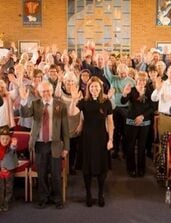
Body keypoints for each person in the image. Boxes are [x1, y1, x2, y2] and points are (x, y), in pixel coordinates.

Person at [19, 80, 69, 209]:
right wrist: (24, 100)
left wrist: (66, 148)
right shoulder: (35, 104)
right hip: (40, 144)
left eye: (48, 90)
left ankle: (57, 199)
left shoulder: (61, 105)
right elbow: (25, 114)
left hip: (55, 144)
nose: (46, 93)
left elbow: (65, 129)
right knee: (41, 174)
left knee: (56, 174)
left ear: (52, 91)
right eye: (43, 91)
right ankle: (43, 198)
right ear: (39, 93)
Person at [69, 76, 114, 207]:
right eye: (92, 86)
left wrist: (111, 139)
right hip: (87, 138)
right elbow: (72, 113)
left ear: (100, 88)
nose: (94, 89)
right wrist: (73, 99)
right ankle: (88, 194)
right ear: (89, 88)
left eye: (96, 86)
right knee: (86, 168)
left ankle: (100, 194)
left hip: (102, 138)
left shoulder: (106, 102)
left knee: (102, 168)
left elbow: (110, 122)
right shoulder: (84, 101)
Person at [121, 72, 155, 177]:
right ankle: (131, 168)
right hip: (131, 121)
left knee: (142, 146)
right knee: (130, 146)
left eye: (144, 80)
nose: (141, 82)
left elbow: (153, 107)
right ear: (136, 80)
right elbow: (123, 101)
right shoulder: (132, 90)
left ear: (146, 81)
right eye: (139, 80)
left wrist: (142, 116)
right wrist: (124, 94)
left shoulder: (149, 91)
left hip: (145, 122)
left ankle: (141, 169)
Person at [0, 126, 18, 212]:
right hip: (0, 170)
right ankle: (1, 203)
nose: (5, 141)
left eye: (7, 139)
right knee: (1, 187)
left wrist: (13, 145)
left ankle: (6, 202)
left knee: (8, 187)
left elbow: (13, 148)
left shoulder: (11, 147)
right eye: (2, 139)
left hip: (9, 169)